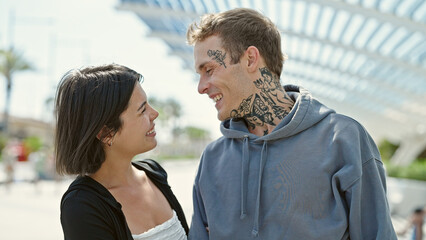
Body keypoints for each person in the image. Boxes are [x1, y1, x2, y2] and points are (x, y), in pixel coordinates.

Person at [186, 8, 397, 239]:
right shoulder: (212, 159)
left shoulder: (343, 140)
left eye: (209, 70)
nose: (201, 87)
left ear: (250, 59)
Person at [55, 64, 188, 240]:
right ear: (105, 133)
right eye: (142, 110)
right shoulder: (81, 206)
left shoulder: (154, 173)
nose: (154, 113)